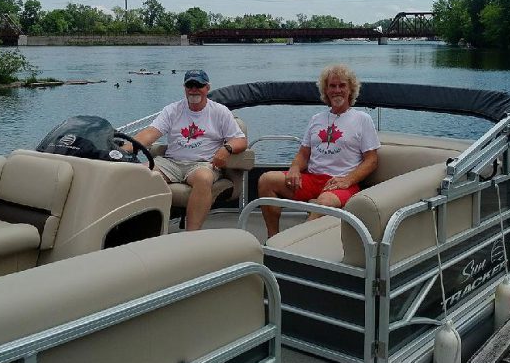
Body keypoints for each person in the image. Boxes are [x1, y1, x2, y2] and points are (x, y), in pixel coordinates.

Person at [258, 64, 380, 238]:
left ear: (351, 89)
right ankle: (272, 237)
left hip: (342, 182)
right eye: (332, 86)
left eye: (342, 85)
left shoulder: (362, 119)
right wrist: (294, 168)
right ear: (326, 90)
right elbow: (303, 154)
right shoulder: (317, 119)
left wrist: (347, 180)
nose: (337, 90)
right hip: (312, 178)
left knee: (324, 201)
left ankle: (294, 243)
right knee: (266, 180)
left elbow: (372, 160)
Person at [131, 69, 247, 230]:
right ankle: (141, 230)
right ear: (184, 87)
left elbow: (240, 140)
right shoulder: (172, 110)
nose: (194, 89)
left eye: (198, 85)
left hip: (202, 164)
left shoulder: (220, 112)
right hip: (171, 162)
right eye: (190, 85)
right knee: (137, 174)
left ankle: (191, 234)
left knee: (203, 178)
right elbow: (150, 133)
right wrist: (123, 149)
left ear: (207, 88)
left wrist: (227, 148)